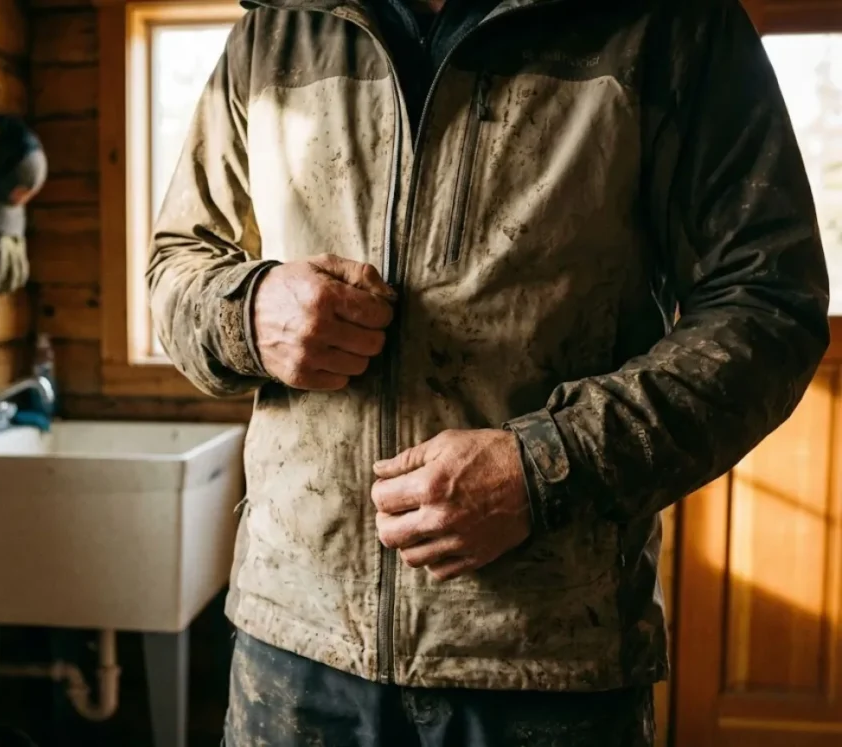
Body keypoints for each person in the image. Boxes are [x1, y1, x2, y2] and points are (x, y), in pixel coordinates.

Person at [147, 0, 830, 743]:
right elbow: (176, 265)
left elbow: (769, 303)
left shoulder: (672, 22)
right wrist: (246, 314)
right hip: (292, 648)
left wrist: (546, 467)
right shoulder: (275, 27)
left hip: (544, 660)